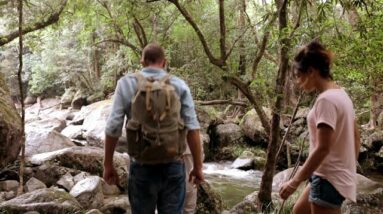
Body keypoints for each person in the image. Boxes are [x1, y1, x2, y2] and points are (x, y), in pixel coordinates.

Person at [103, 43, 204, 214]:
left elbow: (113, 127)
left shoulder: (126, 84)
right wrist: (197, 167)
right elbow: (193, 129)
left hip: (141, 167)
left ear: (142, 62)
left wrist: (108, 164)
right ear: (164, 62)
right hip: (173, 166)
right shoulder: (179, 85)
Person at [279, 41, 360, 214]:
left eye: (299, 75)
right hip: (328, 175)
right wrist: (348, 170)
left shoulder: (326, 101)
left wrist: (294, 182)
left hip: (328, 179)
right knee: (299, 211)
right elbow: (355, 136)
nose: (298, 82)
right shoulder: (341, 94)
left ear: (311, 71)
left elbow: (323, 148)